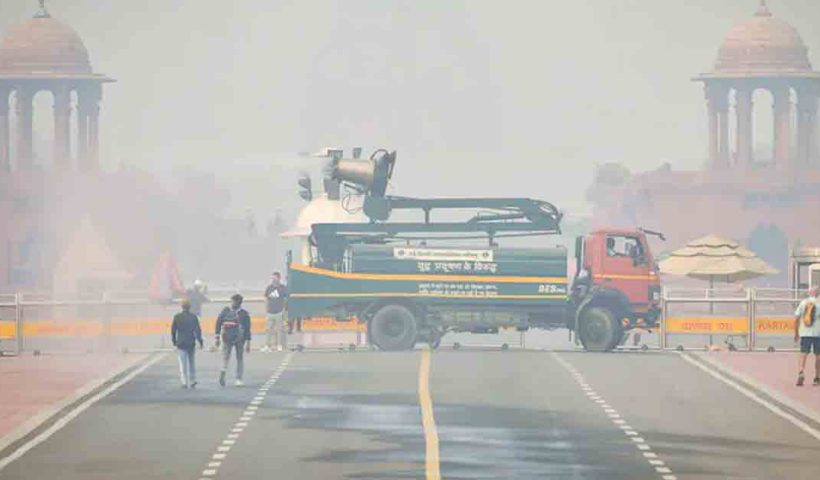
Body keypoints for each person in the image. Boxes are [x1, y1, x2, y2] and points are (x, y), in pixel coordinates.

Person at [215, 294, 251, 387]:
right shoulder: (244, 314)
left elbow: (218, 323)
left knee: (226, 357)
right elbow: (247, 329)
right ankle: (238, 379)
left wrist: (217, 337)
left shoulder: (226, 311)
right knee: (239, 358)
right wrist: (248, 342)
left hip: (227, 337)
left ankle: (223, 371)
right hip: (240, 339)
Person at [171, 299, 204, 389]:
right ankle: (193, 380)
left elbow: (173, 330)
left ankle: (184, 381)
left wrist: (174, 341)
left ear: (182, 306)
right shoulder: (193, 317)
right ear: (190, 307)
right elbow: (197, 330)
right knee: (191, 362)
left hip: (181, 342)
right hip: (191, 342)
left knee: (182, 363)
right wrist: (200, 341)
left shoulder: (177, 317)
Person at [794, 287, 820, 386]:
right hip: (818, 333)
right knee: (818, 356)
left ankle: (801, 371)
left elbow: (796, 318)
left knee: (803, 353)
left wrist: (796, 333)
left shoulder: (803, 303)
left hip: (805, 333)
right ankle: (817, 378)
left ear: (809, 293)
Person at [261, 272, 289, 352]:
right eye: (272, 278)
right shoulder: (269, 288)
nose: (273, 279)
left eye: (275, 278)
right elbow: (266, 299)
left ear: (279, 278)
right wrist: (266, 310)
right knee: (268, 329)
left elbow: (285, 299)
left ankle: (279, 345)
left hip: (279, 312)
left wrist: (284, 309)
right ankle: (267, 345)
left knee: (280, 329)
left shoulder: (282, 288)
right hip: (270, 312)